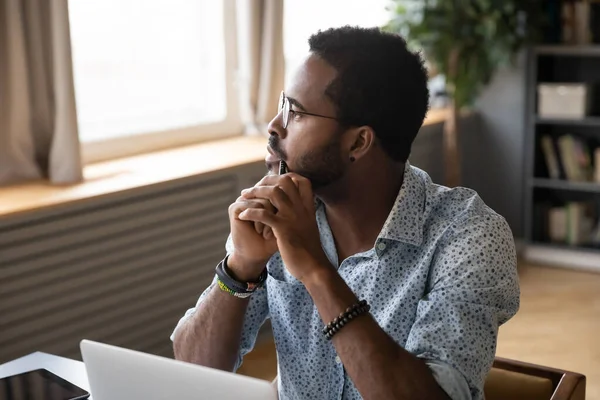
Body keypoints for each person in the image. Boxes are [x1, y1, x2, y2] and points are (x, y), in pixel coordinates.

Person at [171, 26, 519, 400]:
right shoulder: (279, 214)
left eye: (296, 113)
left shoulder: (470, 235)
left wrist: (317, 271)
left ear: (358, 141)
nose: (273, 127)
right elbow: (190, 373)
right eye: (281, 105)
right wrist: (239, 268)